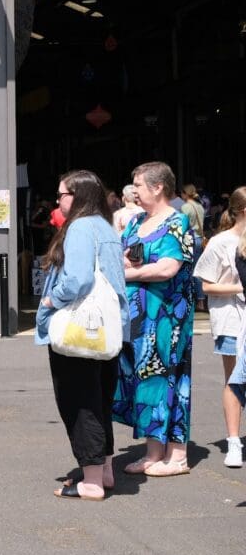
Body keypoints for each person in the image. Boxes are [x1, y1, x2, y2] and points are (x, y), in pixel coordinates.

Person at [35, 171, 129, 500]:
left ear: (77, 196)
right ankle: (103, 470)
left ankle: (90, 481)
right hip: (109, 328)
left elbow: (76, 279)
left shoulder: (78, 227)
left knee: (78, 402)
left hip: (80, 328)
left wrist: (50, 300)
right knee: (101, 397)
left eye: (62, 194)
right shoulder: (105, 226)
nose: (58, 199)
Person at [113, 161, 196, 477]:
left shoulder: (177, 221)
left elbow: (168, 267)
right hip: (137, 317)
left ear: (158, 187)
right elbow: (126, 256)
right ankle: (153, 452)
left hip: (165, 316)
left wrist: (129, 273)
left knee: (170, 377)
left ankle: (177, 456)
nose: (134, 190)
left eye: (138, 185)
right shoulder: (136, 222)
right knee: (144, 379)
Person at [192, 186, 246, 468]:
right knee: (234, 379)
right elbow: (205, 284)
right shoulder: (220, 243)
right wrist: (240, 287)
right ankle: (234, 441)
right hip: (231, 318)